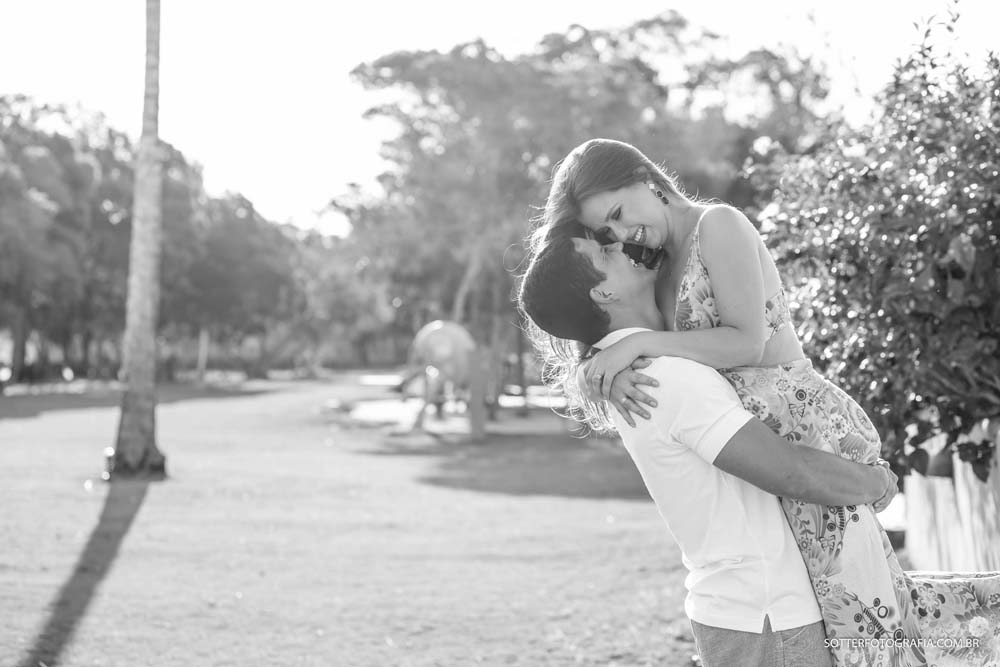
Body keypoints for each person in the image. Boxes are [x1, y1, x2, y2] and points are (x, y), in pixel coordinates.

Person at [521, 137, 1000, 666]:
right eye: (604, 233)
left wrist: (638, 345)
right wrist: (595, 367)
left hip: (802, 423)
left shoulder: (717, 226)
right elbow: (619, 323)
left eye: (617, 215)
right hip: (766, 449)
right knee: (867, 625)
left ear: (645, 178)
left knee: (880, 627)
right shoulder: (654, 267)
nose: (620, 235)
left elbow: (746, 342)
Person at [519, 232, 901, 667]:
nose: (623, 245)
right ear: (603, 292)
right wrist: (875, 482)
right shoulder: (665, 377)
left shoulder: (633, 369)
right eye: (606, 252)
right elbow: (790, 472)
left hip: (747, 612)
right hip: (768, 617)